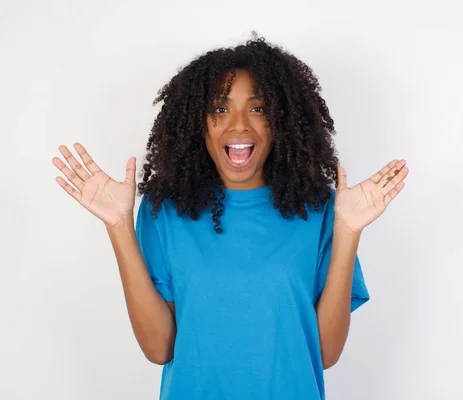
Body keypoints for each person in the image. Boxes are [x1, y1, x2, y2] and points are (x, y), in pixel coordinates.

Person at [51, 35, 409, 400]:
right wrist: (118, 227)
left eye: (258, 109)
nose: (239, 126)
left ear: (280, 121)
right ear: (198, 124)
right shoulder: (165, 212)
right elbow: (159, 348)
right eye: (220, 110)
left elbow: (326, 355)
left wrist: (348, 230)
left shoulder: (321, 211)